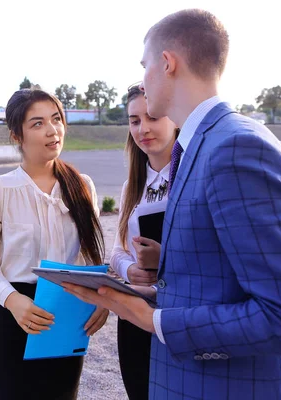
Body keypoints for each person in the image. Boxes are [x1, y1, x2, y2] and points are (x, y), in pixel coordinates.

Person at [63, 9, 281, 399]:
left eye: (145, 65)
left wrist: (151, 319)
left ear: (167, 63)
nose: (144, 78)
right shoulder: (202, 145)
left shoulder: (235, 146)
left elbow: (278, 313)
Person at [0, 89, 108, 399]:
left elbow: (88, 255)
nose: (52, 130)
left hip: (68, 314)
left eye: (56, 119)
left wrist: (101, 298)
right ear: (16, 135)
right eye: (37, 123)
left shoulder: (82, 186)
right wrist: (14, 301)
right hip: (14, 315)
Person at [110, 84, 179, 400]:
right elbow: (117, 251)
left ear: (174, 118)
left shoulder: (192, 175)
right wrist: (129, 271)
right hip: (135, 312)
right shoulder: (130, 186)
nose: (143, 128)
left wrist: (163, 260)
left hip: (176, 313)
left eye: (152, 117)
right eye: (134, 120)